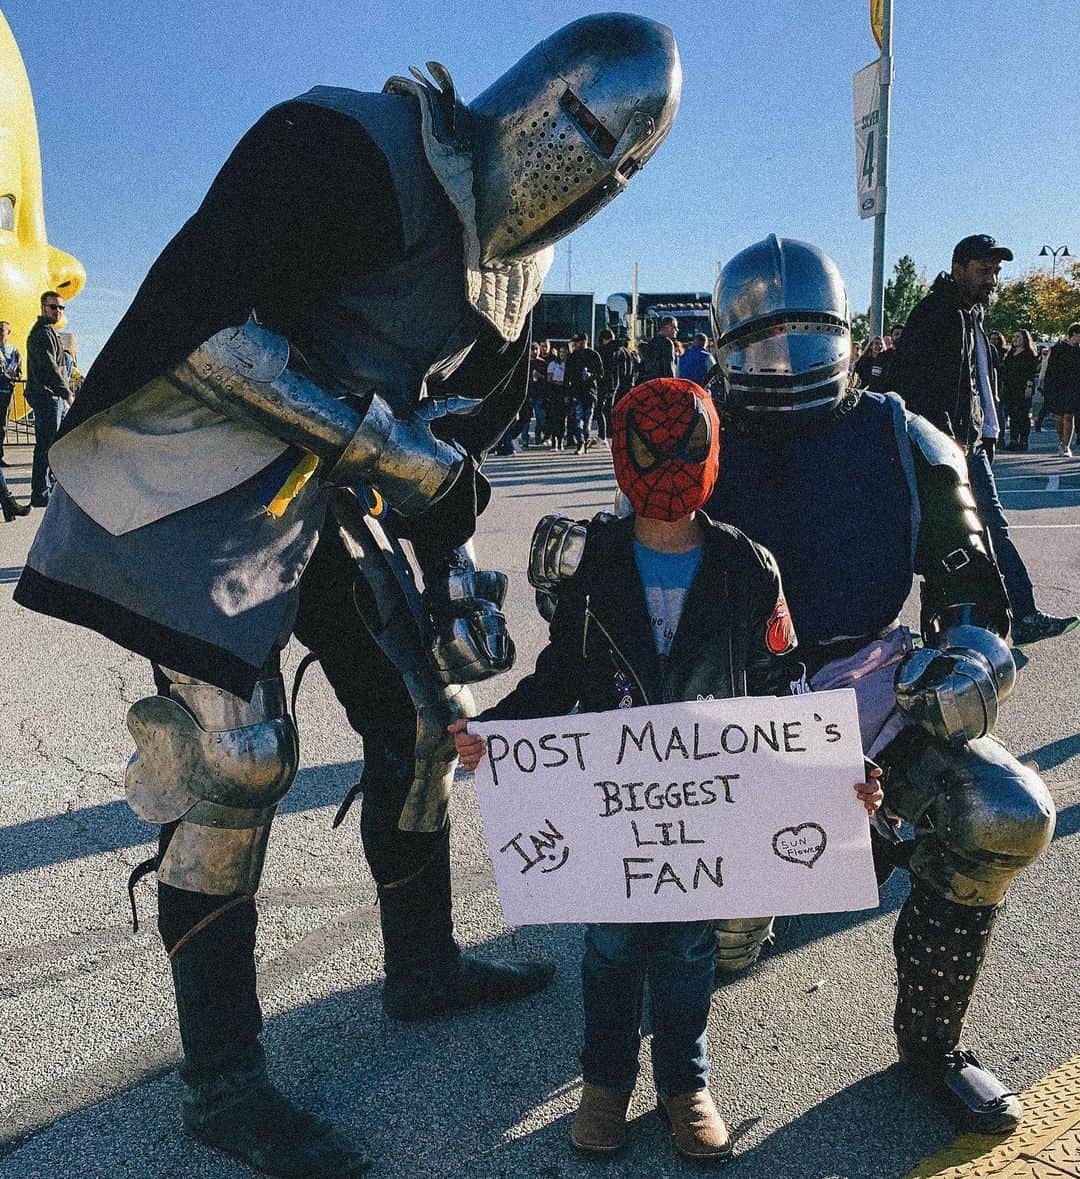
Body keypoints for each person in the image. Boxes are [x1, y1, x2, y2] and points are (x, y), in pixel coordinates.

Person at [14, 17, 682, 1176]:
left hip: (324, 489)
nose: (589, 172)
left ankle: (421, 969)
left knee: (424, 722)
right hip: (193, 463)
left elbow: (451, 434)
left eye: (621, 163)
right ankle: (224, 1085)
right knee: (240, 759)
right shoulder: (349, 145)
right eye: (582, 131)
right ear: (535, 97)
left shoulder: (513, 272)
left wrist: (446, 555)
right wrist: (389, 452)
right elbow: (214, 331)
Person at [451, 376, 884, 1163]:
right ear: (624, 454)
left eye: (688, 447)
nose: (670, 469)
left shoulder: (747, 568)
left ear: (713, 453)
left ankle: (686, 1082)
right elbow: (561, 676)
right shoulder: (595, 563)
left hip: (704, 813)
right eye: (653, 450)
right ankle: (605, 1083)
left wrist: (838, 774)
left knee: (689, 949)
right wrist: (495, 729)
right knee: (611, 946)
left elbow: (784, 690)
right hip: (614, 811)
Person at [707, 235, 1057, 1134]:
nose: (784, 359)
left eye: (805, 331)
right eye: (764, 335)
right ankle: (680, 992)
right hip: (726, 723)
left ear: (848, 335)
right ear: (723, 341)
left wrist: (968, 665)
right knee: (720, 940)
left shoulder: (904, 436)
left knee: (1003, 810)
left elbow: (973, 590)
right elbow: (628, 601)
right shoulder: (688, 427)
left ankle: (932, 1041)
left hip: (873, 707)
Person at [890, 235, 1078, 645]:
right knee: (974, 533)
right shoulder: (939, 314)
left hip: (968, 444)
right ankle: (1010, 619)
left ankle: (981, 623)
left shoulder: (966, 313)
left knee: (973, 535)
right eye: (983, 271)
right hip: (949, 449)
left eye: (995, 272)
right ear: (958, 269)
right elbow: (913, 386)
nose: (992, 280)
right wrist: (948, 445)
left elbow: (973, 383)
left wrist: (984, 432)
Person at [24, 290, 72, 506]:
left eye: (61, 308)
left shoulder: (50, 331)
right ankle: (40, 492)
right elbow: (49, 367)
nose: (58, 311)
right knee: (45, 445)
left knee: (50, 444)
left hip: (53, 397)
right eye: (54, 307)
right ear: (43, 307)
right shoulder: (41, 333)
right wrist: (66, 392)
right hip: (46, 397)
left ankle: (48, 485)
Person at [1041, 323, 1080, 457]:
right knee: (1059, 417)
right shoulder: (1058, 349)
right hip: (1058, 386)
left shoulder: (1078, 351)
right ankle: (1060, 441)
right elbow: (1050, 369)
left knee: (1069, 416)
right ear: (1074, 334)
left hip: (1074, 387)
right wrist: (1047, 387)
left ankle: (1066, 445)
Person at [564, 332, 604, 453]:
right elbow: (567, 376)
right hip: (576, 391)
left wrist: (591, 375)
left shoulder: (593, 355)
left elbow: (601, 374)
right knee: (578, 418)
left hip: (590, 391)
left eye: (578, 342)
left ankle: (584, 440)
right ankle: (581, 442)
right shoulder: (572, 356)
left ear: (584, 341)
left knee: (587, 419)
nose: (576, 344)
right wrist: (566, 393)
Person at [1000, 330, 1040, 451]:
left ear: (1024, 339)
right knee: (1012, 414)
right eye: (1015, 336)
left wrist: (1029, 386)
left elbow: (1031, 371)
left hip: (1023, 387)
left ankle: (1023, 440)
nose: (1016, 339)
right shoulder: (1011, 353)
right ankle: (1013, 439)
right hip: (1010, 387)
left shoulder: (1029, 354)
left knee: (1022, 414)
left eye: (1018, 337)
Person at [596, 328, 635, 441]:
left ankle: (606, 434)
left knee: (604, 410)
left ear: (604, 340)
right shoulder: (627, 352)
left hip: (610, 386)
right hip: (625, 386)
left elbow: (607, 370)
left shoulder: (608, 351)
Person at [0, 319, 21, 467]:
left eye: (2, 330)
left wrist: (12, 376)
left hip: (7, 393)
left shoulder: (14, 352)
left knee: (2, 426)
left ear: (8, 332)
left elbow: (19, 373)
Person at [545, 343, 570, 450]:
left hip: (565, 390)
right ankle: (554, 441)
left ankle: (561, 440)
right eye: (560, 352)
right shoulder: (553, 364)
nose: (562, 354)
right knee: (554, 417)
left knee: (562, 418)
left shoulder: (569, 365)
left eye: (564, 352)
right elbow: (549, 379)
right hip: (555, 391)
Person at [639, 314, 678, 380]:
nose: (677, 330)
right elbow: (668, 367)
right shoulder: (667, 343)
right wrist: (672, 382)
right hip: (662, 383)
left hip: (651, 382)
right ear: (667, 327)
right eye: (674, 327)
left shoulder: (652, 342)